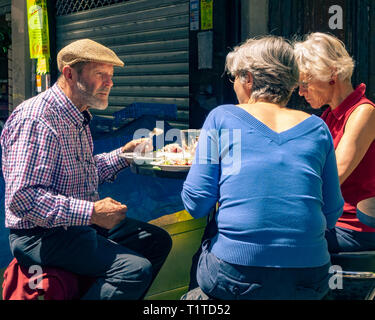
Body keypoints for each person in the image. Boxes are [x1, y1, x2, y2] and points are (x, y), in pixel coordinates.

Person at [0, 39, 172, 300]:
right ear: (70, 73)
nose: (109, 83)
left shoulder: (76, 115)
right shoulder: (36, 120)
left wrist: (125, 155)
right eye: (100, 74)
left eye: (111, 76)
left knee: (155, 240)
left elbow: (82, 172)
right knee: (133, 270)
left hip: (73, 226)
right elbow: (23, 199)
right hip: (40, 236)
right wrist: (91, 212)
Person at [181, 36, 344, 300]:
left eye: (234, 77)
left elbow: (197, 203)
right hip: (310, 278)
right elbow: (332, 212)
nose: (233, 85)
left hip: (236, 275)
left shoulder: (221, 117)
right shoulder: (317, 128)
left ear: (248, 79)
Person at [294, 32, 375, 253]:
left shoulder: (363, 113)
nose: (300, 92)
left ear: (331, 73)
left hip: (354, 227)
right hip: (331, 220)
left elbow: (332, 177)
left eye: (304, 83)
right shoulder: (328, 116)